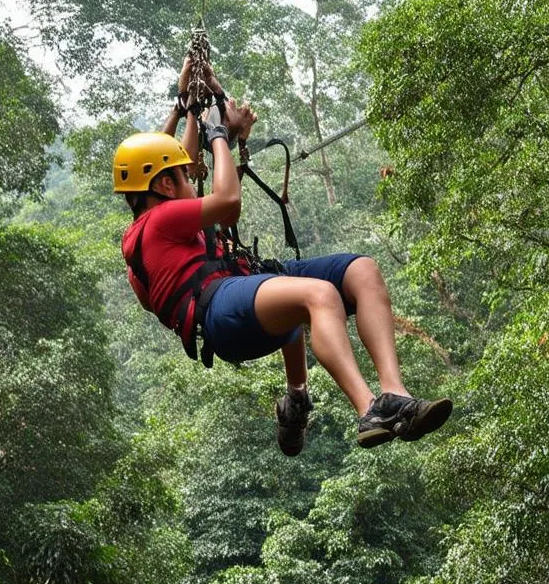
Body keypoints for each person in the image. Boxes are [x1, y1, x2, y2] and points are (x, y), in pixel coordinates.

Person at [114, 59, 452, 455]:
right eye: (187, 176)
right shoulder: (160, 221)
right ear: (168, 186)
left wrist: (190, 104)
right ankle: (369, 409)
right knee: (317, 295)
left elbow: (189, 176)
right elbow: (225, 200)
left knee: (362, 270)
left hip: (236, 291)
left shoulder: (154, 231)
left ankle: (388, 393)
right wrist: (218, 131)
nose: (195, 173)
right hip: (221, 313)